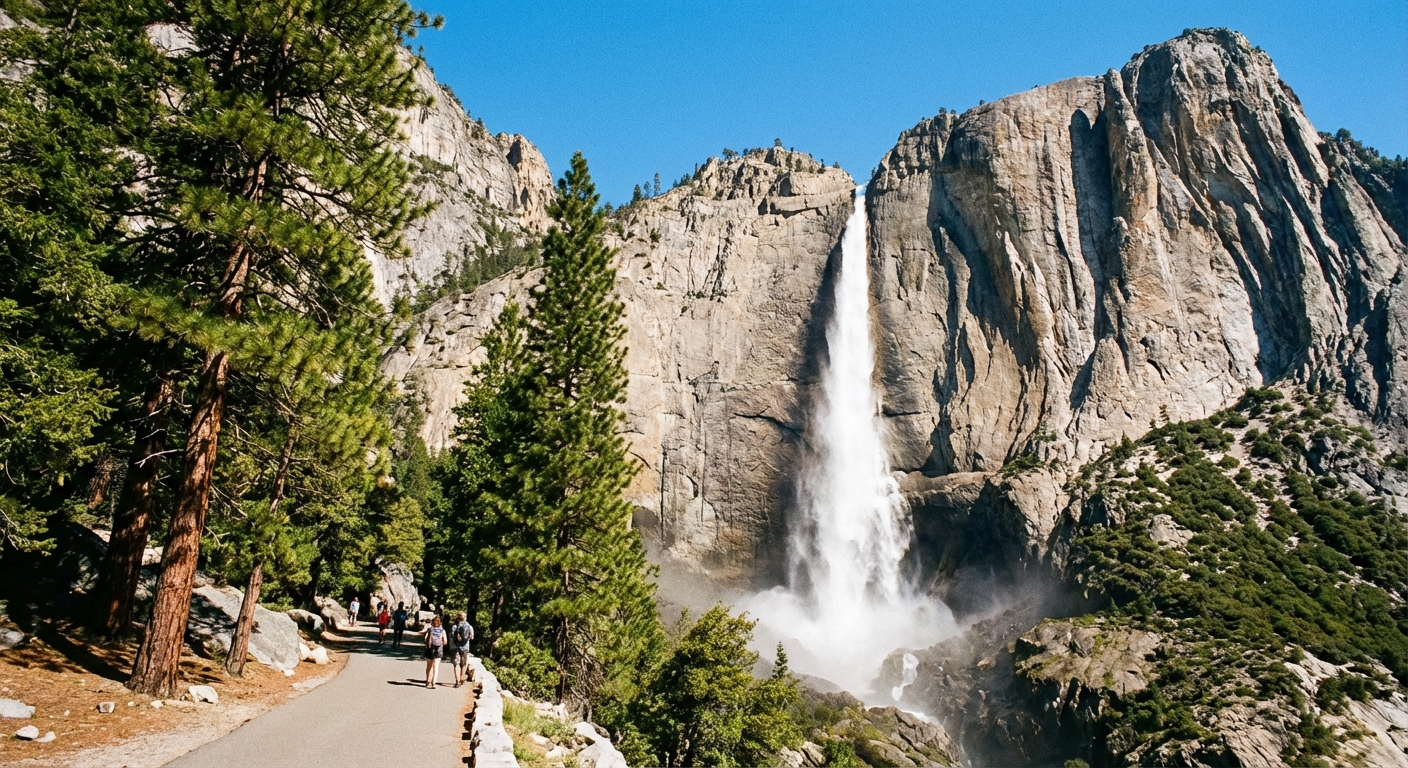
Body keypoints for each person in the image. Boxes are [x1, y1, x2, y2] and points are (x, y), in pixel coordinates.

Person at [449, 612, 475, 687]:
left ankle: (457, 681)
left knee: (456, 664)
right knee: (463, 663)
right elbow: (472, 637)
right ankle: (462, 678)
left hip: (455, 647)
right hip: (465, 647)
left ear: (458, 618)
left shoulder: (454, 626)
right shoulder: (469, 626)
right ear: (465, 617)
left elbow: (451, 636)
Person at [423, 615, 446, 689]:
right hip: (438, 649)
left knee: (429, 666)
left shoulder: (430, 630)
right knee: (436, 667)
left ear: (432, 622)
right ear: (440, 623)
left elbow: (425, 639)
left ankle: (428, 682)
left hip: (429, 649)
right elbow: (445, 641)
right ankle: (434, 683)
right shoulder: (442, 630)